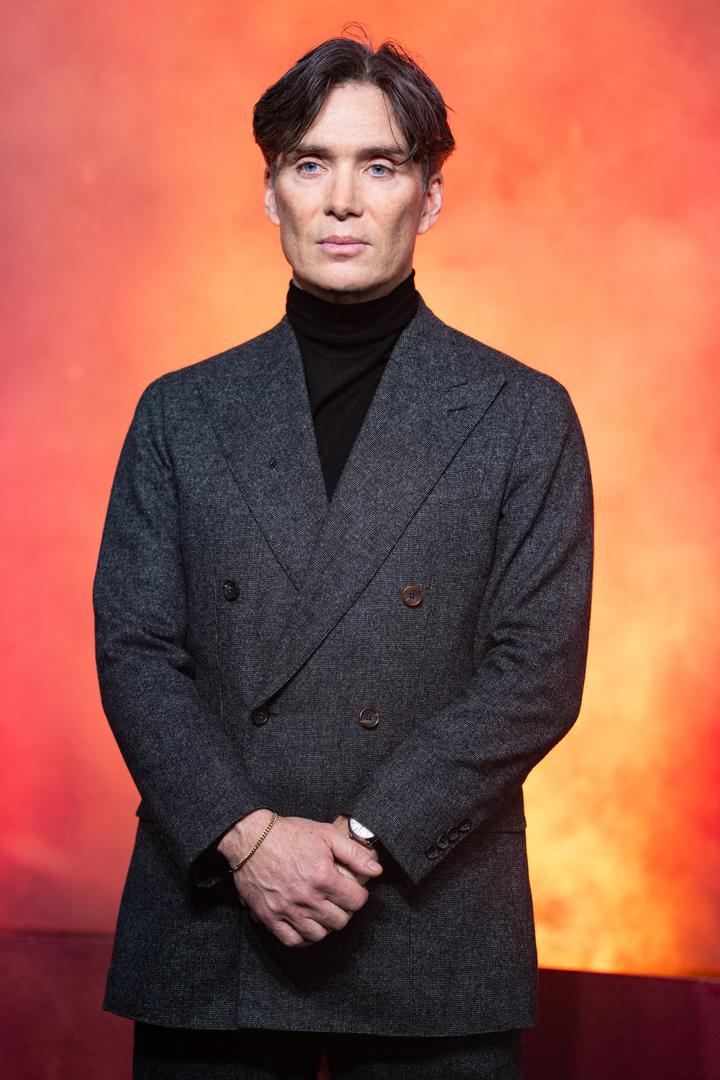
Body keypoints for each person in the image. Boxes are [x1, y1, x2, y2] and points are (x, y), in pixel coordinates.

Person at [93, 29, 593, 1080]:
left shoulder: (522, 414)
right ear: (269, 192)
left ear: (431, 195)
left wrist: (359, 839)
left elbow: (535, 674)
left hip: (427, 910)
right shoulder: (179, 414)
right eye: (310, 163)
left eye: (381, 165)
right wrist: (246, 837)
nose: (343, 199)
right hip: (216, 919)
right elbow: (136, 650)